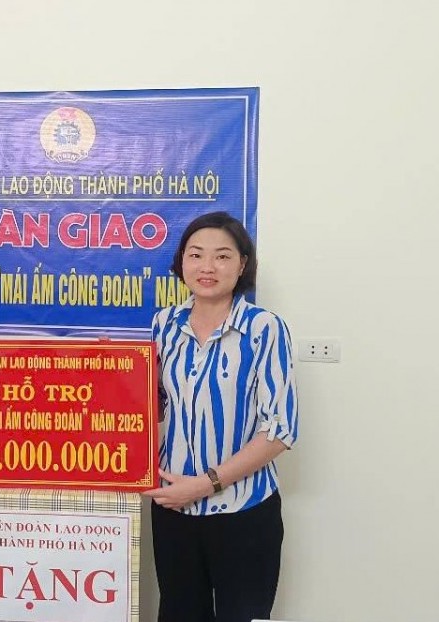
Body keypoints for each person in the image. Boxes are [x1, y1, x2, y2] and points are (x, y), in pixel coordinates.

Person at [142, 211, 299, 622]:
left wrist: (206, 483)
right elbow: (153, 406)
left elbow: (280, 430)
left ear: (242, 264)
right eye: (196, 255)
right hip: (173, 507)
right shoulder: (164, 324)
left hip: (243, 511)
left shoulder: (265, 328)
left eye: (223, 256)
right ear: (181, 263)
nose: (207, 267)